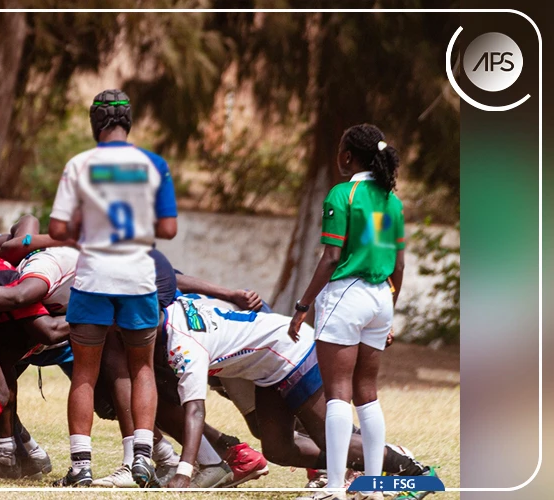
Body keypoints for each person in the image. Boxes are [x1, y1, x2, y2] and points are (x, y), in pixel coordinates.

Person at [163, 294, 433, 495]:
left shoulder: (183, 346)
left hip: (293, 351)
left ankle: (417, 474)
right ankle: (362, 462)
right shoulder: (173, 306)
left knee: (330, 438)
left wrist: (184, 471)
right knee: (277, 448)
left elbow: (195, 410)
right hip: (269, 366)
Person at [47, 89, 178, 488]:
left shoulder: (79, 164)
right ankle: (142, 460)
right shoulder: (153, 164)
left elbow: (56, 230)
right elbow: (169, 229)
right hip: (138, 279)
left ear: (93, 124)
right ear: (129, 123)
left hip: (93, 280)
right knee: (142, 368)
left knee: (85, 372)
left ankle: (81, 466)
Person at [286, 124, 409, 500]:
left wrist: (302, 307)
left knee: (337, 394)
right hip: (380, 298)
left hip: (346, 295)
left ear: (348, 156)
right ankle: (373, 488)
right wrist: (389, 310)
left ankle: (335, 488)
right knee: (367, 393)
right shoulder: (391, 200)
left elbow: (331, 258)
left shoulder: (343, 194)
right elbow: (399, 264)